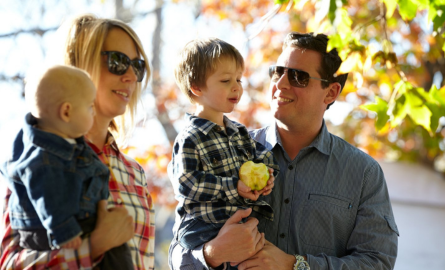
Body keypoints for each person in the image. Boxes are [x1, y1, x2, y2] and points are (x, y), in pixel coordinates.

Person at [169, 32, 399, 270]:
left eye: (298, 77)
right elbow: (178, 251)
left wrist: (295, 265)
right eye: (278, 72)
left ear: (331, 92)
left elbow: (377, 263)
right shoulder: (222, 146)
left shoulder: (364, 174)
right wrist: (213, 254)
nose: (280, 84)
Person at [0, 14, 155, 270]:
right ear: (78, 65)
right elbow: (9, 264)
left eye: (137, 66)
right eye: (117, 62)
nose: (130, 76)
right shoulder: (37, 159)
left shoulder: (135, 174)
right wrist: (92, 248)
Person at [1, 65, 132, 270]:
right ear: (67, 111)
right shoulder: (43, 159)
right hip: (69, 230)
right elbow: (49, 195)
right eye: (90, 106)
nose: (93, 111)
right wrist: (66, 231)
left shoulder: (71, 148)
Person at [168, 37, 279, 252]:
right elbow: (186, 183)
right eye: (226, 81)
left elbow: (264, 158)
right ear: (197, 87)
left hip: (239, 224)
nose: (236, 87)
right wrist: (234, 186)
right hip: (202, 226)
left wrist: (267, 177)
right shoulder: (190, 137)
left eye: (239, 80)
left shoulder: (239, 132)